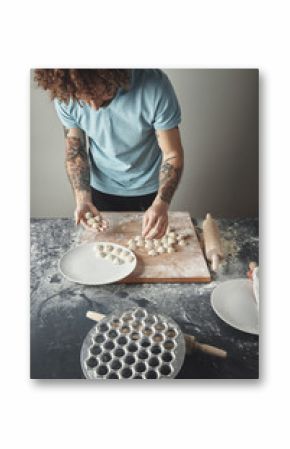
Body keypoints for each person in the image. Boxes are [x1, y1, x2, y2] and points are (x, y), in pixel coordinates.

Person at [34, 69, 184, 239]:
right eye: (85, 99)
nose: (95, 107)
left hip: (149, 188)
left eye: (101, 94)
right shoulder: (67, 95)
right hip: (100, 188)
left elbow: (172, 154)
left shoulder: (155, 86)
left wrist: (161, 203)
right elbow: (76, 151)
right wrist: (82, 199)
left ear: (113, 76)